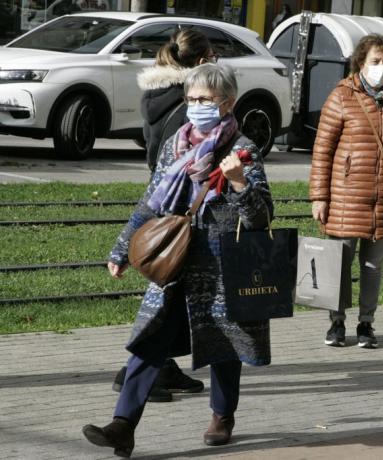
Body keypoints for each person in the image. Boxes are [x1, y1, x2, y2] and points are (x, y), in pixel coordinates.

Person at [82, 63, 273, 458]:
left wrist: (238, 182)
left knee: (223, 344)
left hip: (221, 268)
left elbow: (262, 217)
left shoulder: (244, 151)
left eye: (204, 99)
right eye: (190, 99)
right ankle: (123, 425)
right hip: (174, 262)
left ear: (228, 103)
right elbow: (150, 203)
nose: (196, 106)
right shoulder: (177, 145)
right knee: (149, 339)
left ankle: (222, 415)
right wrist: (121, 250)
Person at [109, 29, 218, 403]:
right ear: (201, 62)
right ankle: (141, 373)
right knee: (166, 299)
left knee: (170, 299)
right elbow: (177, 166)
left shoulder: (159, 96)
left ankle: (161, 369)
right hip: (176, 209)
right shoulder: (184, 107)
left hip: (166, 206)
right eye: (213, 58)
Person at [310, 34, 383, 349]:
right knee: (339, 264)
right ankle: (336, 323)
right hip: (345, 197)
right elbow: (322, 151)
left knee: (373, 267)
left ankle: (366, 324)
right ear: (360, 63)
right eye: (375, 61)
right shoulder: (341, 97)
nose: (381, 67)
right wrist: (319, 196)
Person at [138, 29, 216, 173]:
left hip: (158, 186)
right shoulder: (196, 106)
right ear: (202, 62)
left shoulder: (155, 96)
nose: (215, 64)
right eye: (213, 58)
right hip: (183, 188)